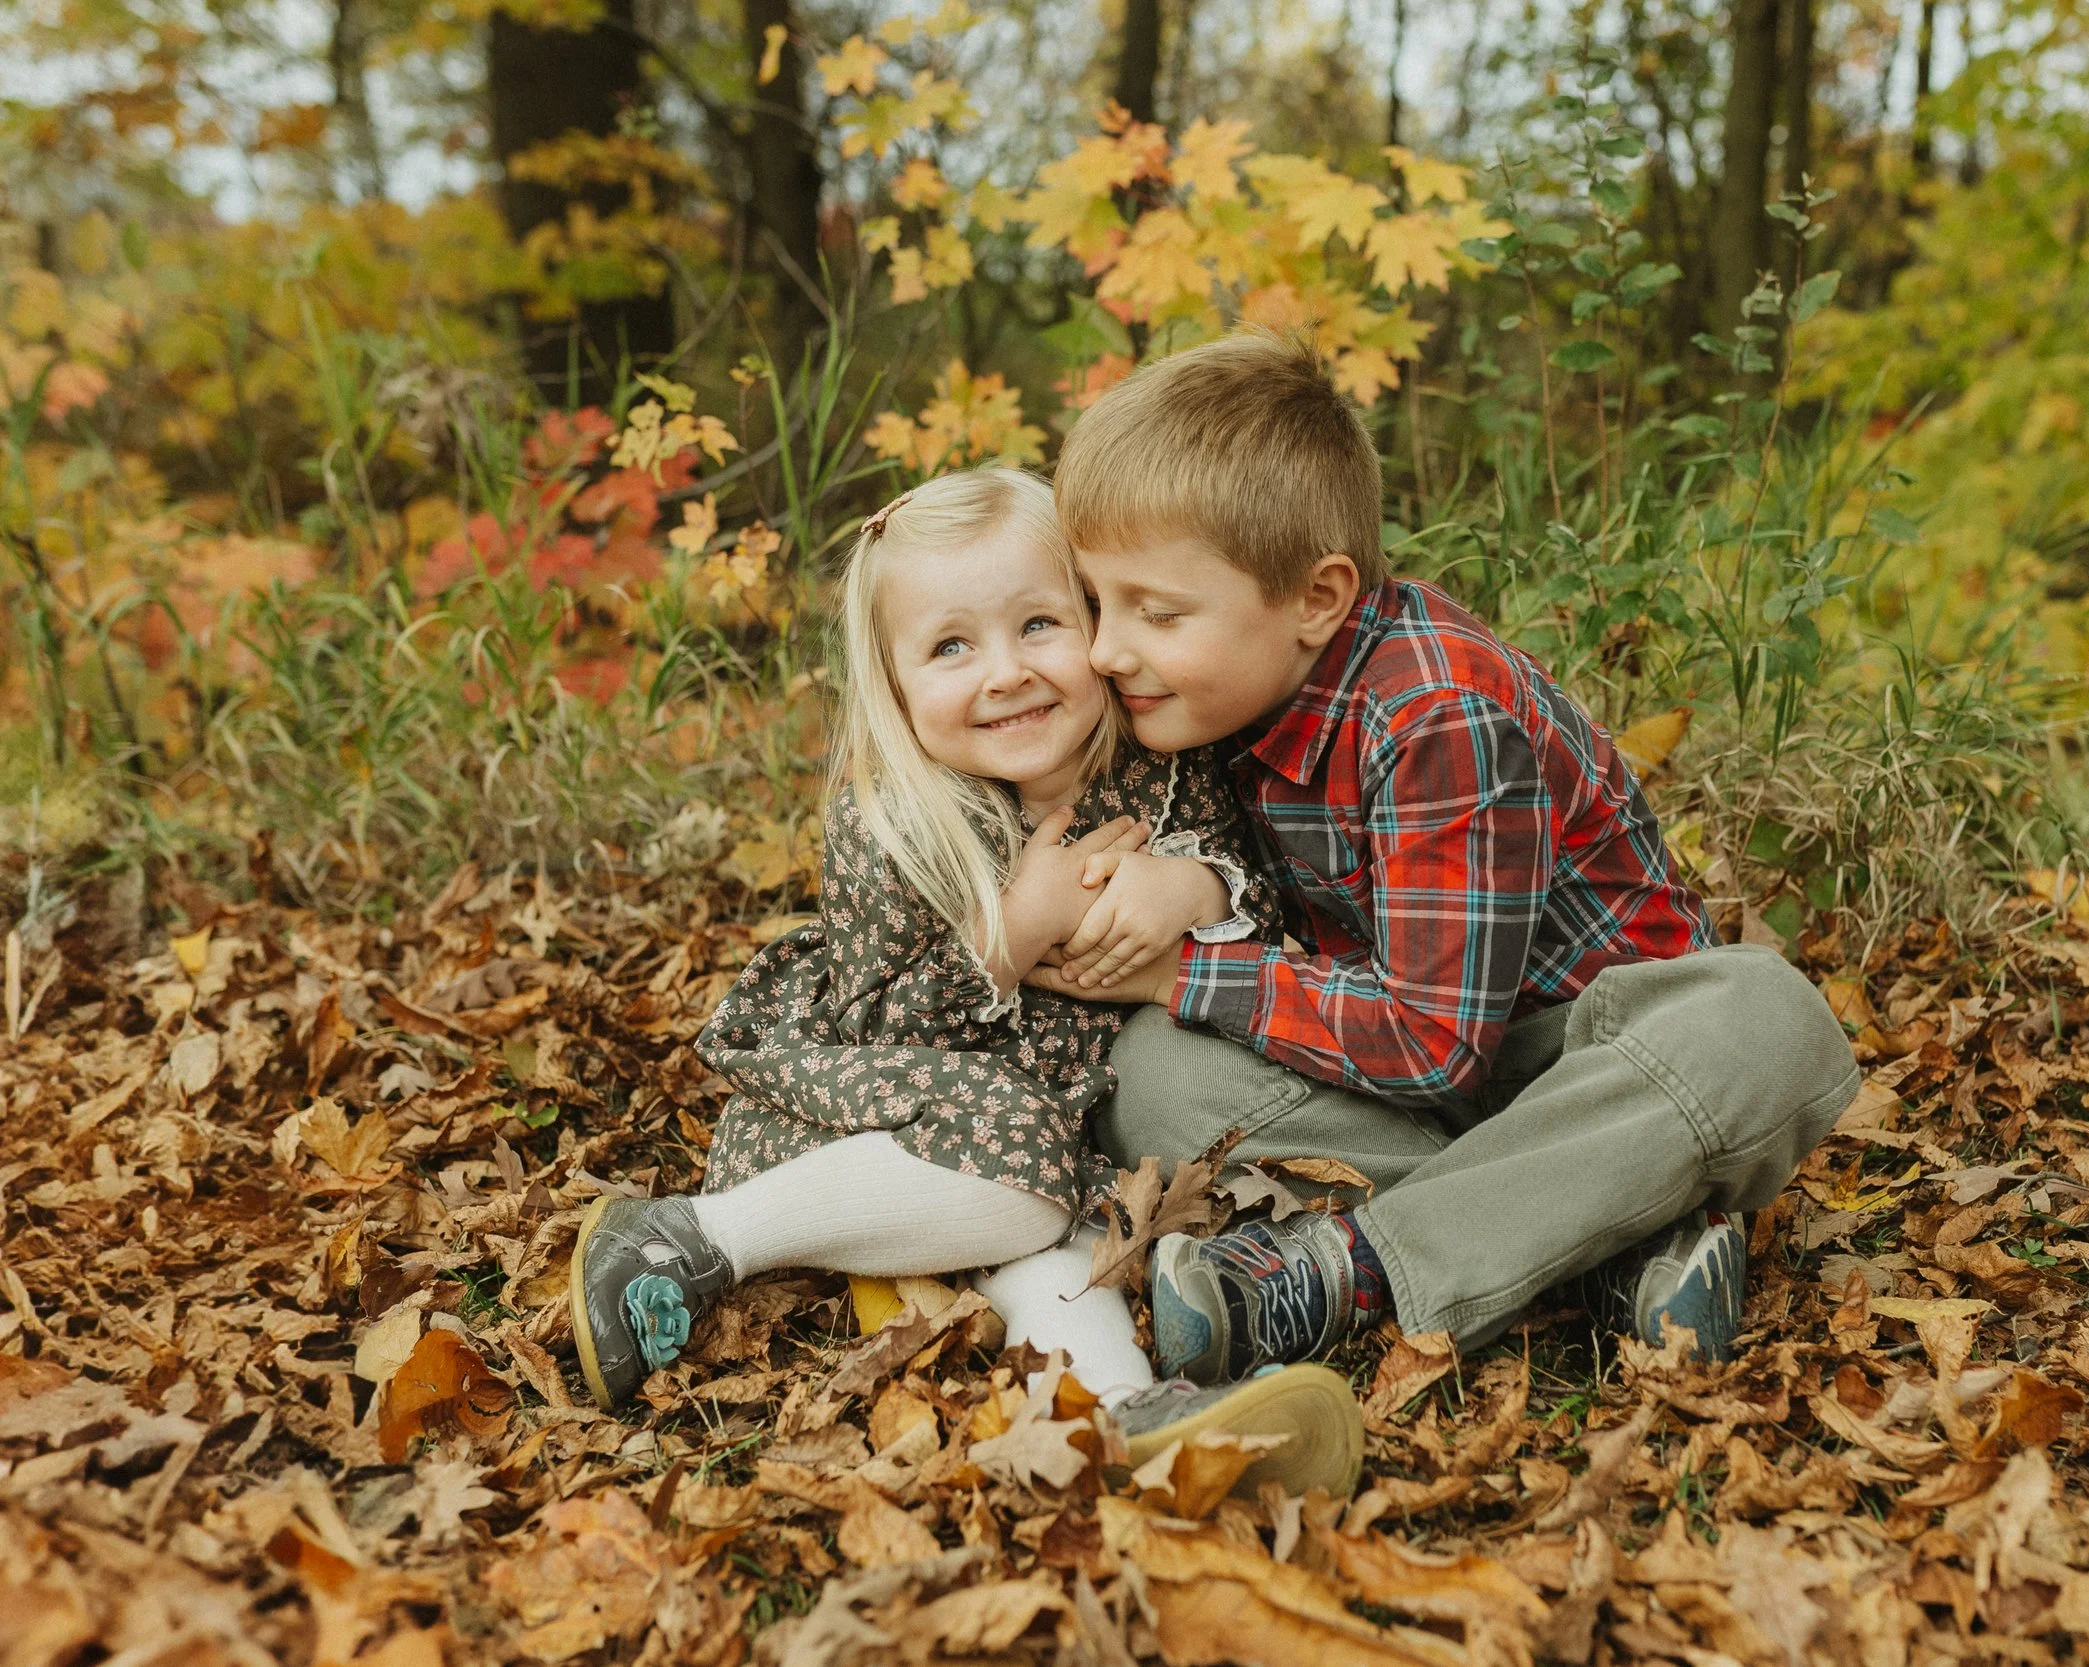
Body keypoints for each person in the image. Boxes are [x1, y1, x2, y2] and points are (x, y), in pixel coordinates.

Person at [1028, 331, 1860, 1386]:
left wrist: (1180, 966)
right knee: (1146, 1068)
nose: (1106, 648)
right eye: (1098, 602)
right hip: (1423, 1084)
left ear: (1315, 600)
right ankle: (1610, 1227)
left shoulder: (1433, 715)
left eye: (1156, 610)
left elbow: (1430, 1042)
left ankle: (1341, 1274)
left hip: (1593, 1055)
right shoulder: (1215, 698)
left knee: (1766, 1020)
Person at [566, 466, 1363, 1498]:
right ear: (895, 684)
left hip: (1050, 1137)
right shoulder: (894, 819)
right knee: (1027, 1178)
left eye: (1039, 624)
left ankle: (1121, 1422)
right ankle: (695, 1237)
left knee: (1062, 1242)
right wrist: (1010, 934)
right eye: (951, 646)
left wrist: (1194, 885)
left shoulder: (1158, 766)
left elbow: (1256, 883)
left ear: (1093, 620)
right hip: (872, 1128)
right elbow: (870, 1023)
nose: (1007, 673)